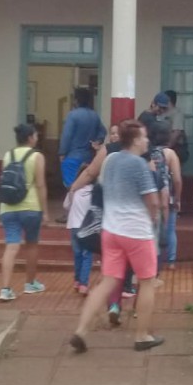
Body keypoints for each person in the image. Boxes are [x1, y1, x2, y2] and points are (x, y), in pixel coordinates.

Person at [69, 120, 164, 353]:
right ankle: (142, 336)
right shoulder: (139, 164)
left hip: (111, 231)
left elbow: (100, 186)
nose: (147, 140)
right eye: (143, 137)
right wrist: (153, 218)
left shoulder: (110, 160)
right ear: (135, 140)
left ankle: (81, 330)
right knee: (147, 281)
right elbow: (153, 201)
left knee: (108, 281)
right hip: (137, 232)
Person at [0, 124, 48, 301]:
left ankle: (5, 289)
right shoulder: (37, 156)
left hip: (8, 207)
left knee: (11, 246)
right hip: (31, 207)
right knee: (31, 244)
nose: (37, 138)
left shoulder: (7, 155)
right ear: (30, 138)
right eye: (35, 135)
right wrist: (45, 211)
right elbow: (40, 185)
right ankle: (30, 283)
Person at [59, 87, 106, 189]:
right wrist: (97, 141)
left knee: (71, 188)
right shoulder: (94, 115)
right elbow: (103, 131)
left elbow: (67, 135)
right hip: (89, 157)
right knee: (85, 187)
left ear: (76, 100)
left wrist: (62, 152)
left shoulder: (72, 115)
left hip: (72, 157)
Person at [152, 121, 182, 272]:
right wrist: (177, 198)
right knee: (170, 228)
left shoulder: (148, 152)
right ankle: (170, 261)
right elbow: (177, 179)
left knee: (152, 228)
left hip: (150, 196)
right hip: (167, 195)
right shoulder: (170, 154)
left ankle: (153, 260)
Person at [64, 163, 94, 295]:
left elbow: (66, 206)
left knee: (77, 254)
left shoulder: (74, 190)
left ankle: (77, 280)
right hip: (88, 227)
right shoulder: (94, 191)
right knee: (87, 255)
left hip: (74, 225)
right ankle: (83, 284)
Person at [162, 89, 188, 163]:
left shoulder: (177, 113)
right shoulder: (162, 112)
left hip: (175, 147)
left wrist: (167, 147)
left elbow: (177, 132)